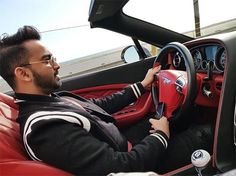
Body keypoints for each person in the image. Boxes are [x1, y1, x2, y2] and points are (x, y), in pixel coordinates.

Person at [0, 26, 213, 175]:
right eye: (47, 60)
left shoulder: (51, 100)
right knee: (207, 132)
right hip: (139, 164)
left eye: (53, 58)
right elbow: (121, 169)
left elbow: (99, 106)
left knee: (181, 117)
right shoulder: (45, 129)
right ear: (24, 74)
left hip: (126, 144)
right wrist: (160, 135)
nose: (56, 65)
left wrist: (142, 85)